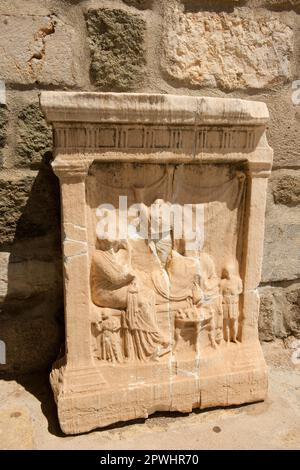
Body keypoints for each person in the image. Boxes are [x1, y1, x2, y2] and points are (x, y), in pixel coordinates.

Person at [221, 264, 243, 343]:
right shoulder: (222, 282)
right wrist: (223, 300)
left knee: (234, 322)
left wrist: (235, 292)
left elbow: (241, 289)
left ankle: (234, 338)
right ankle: (227, 340)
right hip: (226, 304)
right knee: (226, 322)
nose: (228, 273)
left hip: (234, 303)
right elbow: (220, 294)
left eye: (229, 271)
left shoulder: (237, 280)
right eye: (226, 272)